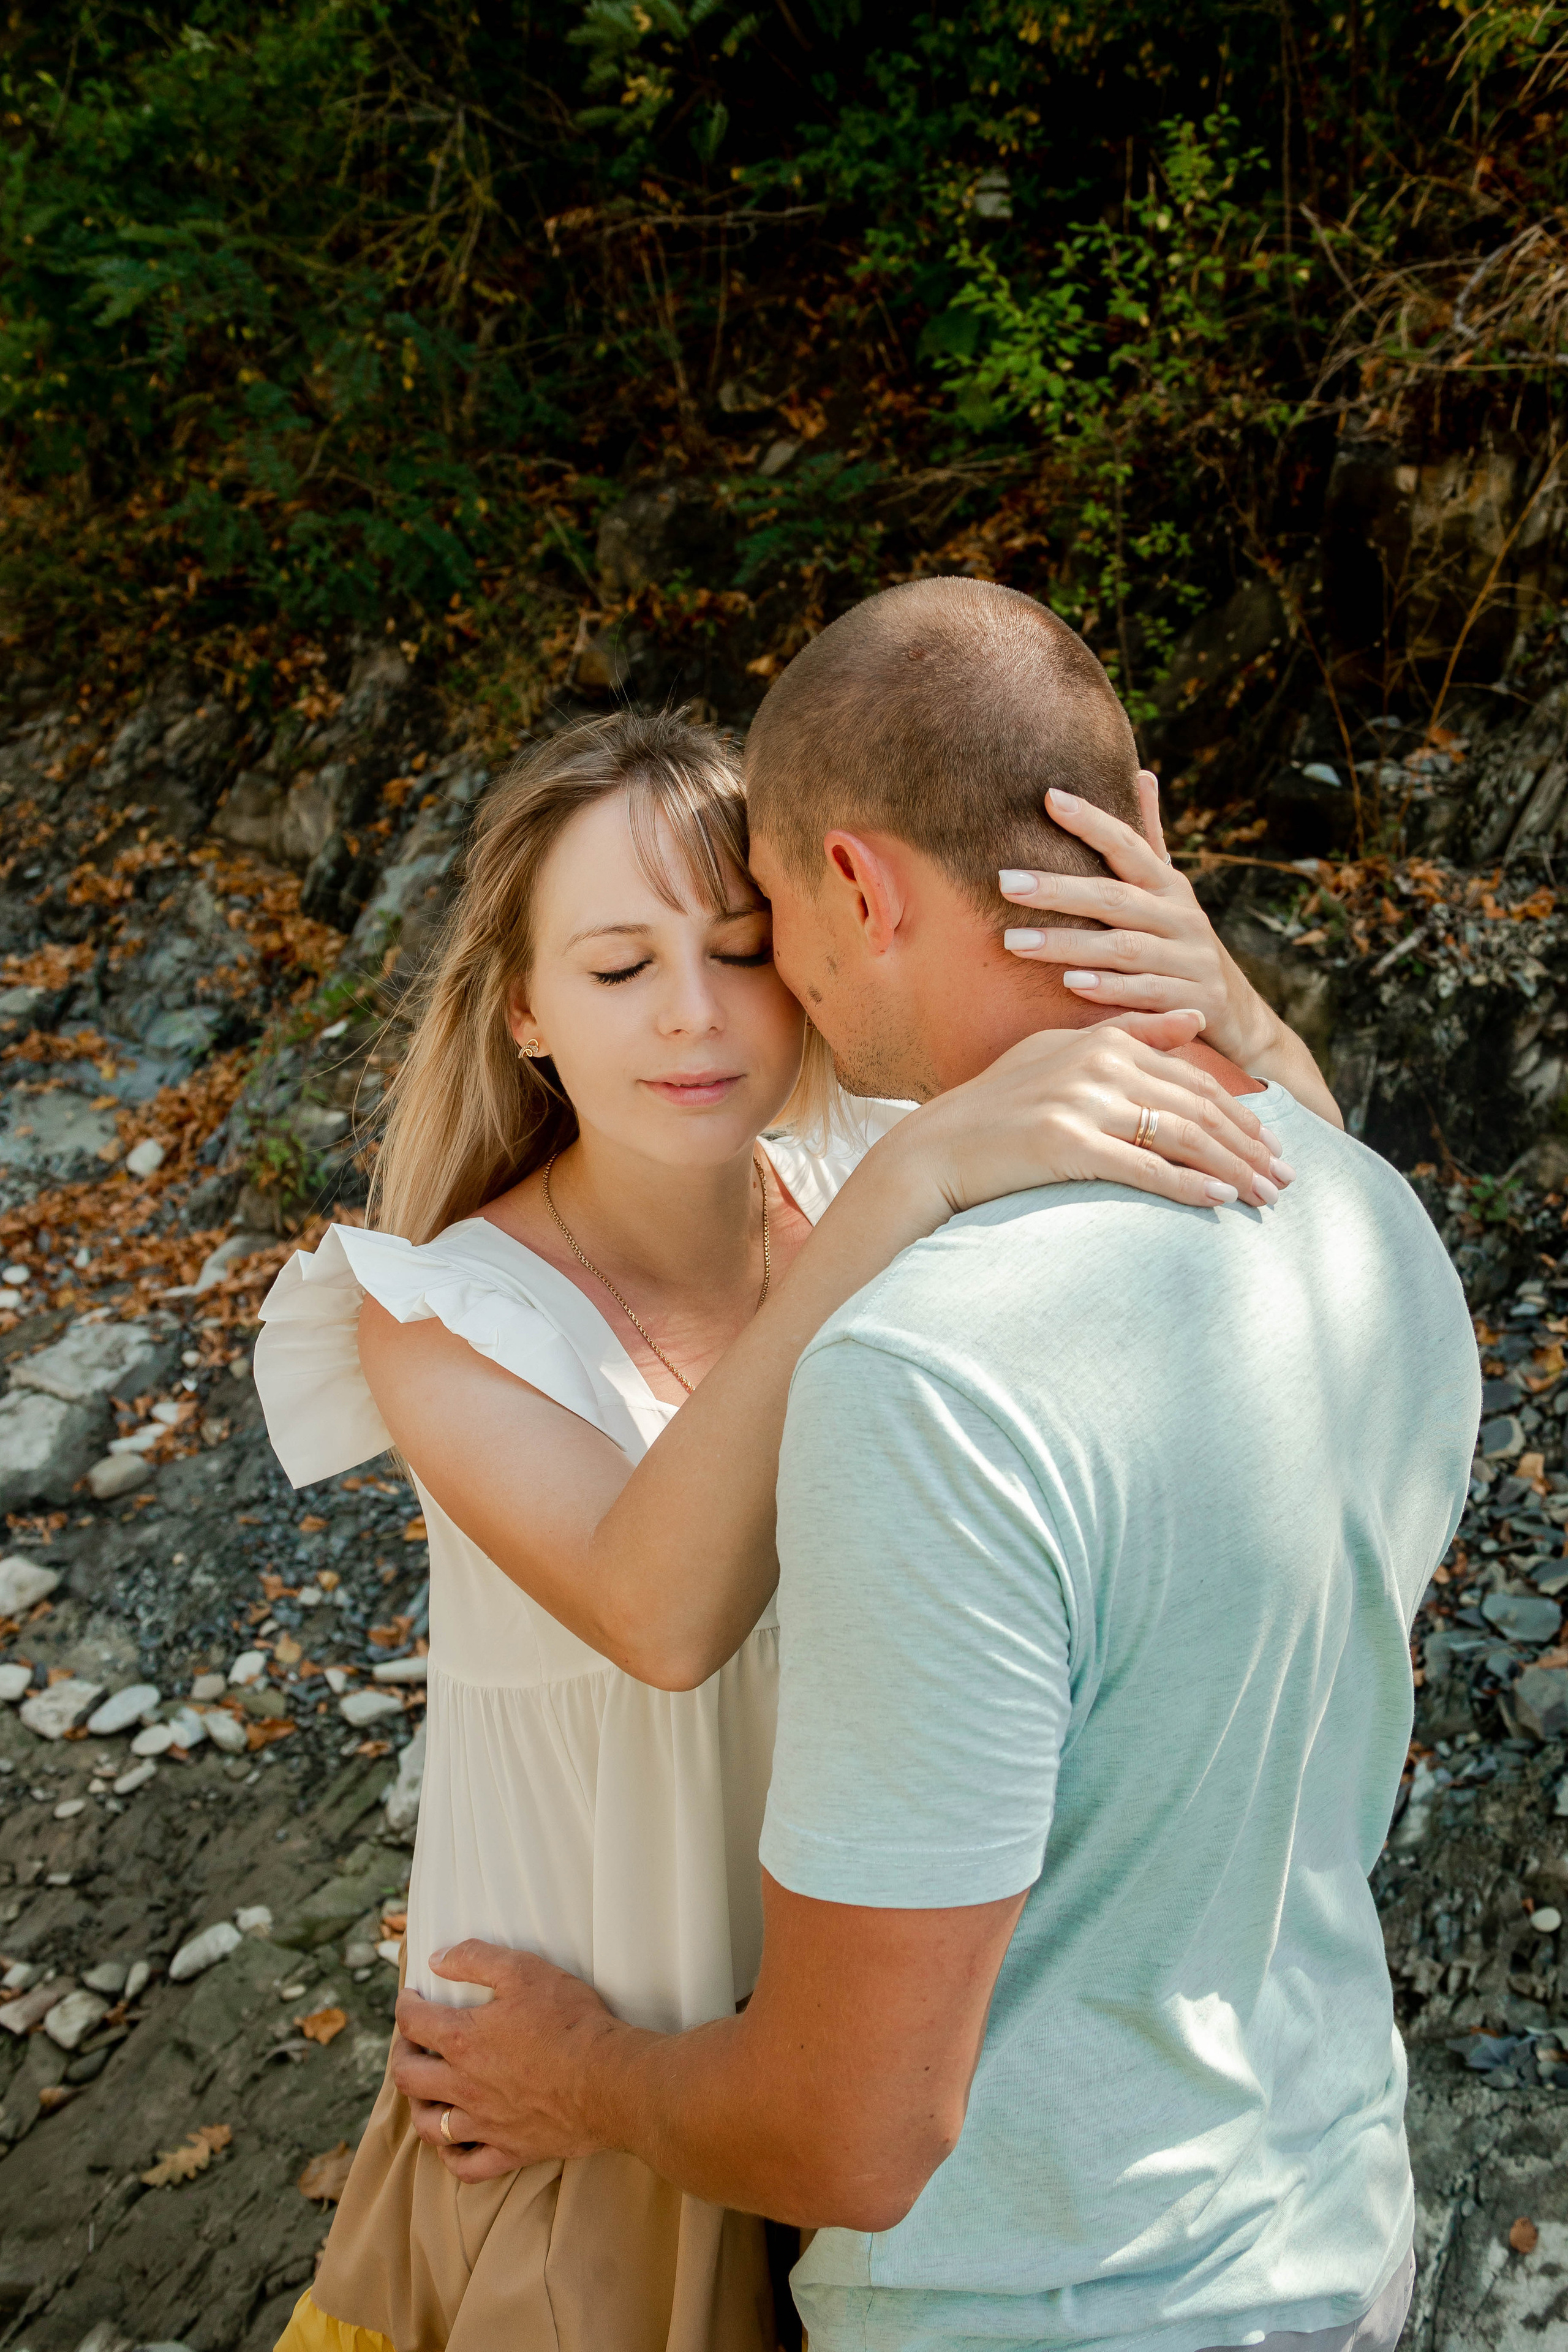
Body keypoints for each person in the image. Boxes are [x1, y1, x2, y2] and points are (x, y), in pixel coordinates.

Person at [390, 581, 1482, 2352]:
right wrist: (1227, 1012)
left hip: (1054, 2297)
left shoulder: (926, 1366)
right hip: (1331, 2222)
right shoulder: (1362, 1222)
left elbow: (859, 2129)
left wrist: (584, 2079)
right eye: (620, 967)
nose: (720, 1007)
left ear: (857, 894)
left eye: (755, 936)